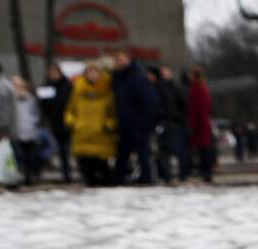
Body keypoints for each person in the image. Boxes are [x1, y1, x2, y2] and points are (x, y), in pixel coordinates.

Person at [64, 60, 116, 187]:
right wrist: (73, 123)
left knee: (102, 166)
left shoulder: (108, 91)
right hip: (82, 133)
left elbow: (113, 113)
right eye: (89, 72)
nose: (92, 75)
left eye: (95, 72)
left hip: (100, 134)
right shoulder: (78, 89)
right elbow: (70, 110)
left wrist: (108, 125)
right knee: (85, 166)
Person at [112, 51, 159, 184]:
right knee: (122, 157)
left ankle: (148, 181)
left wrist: (144, 124)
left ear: (128, 60)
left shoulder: (138, 77)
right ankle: (119, 181)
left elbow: (151, 101)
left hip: (138, 125)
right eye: (117, 59)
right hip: (124, 125)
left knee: (143, 155)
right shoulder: (117, 79)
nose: (119, 61)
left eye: (122, 58)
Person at [40, 61, 73, 183]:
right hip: (54, 123)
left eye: (55, 72)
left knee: (68, 150)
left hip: (68, 123)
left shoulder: (68, 86)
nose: (52, 75)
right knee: (60, 151)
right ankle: (65, 174)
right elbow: (43, 106)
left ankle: (68, 173)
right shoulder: (47, 87)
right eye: (51, 72)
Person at [155, 66, 187, 182]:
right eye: (162, 72)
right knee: (164, 152)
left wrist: (180, 119)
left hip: (174, 124)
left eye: (166, 72)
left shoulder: (175, 88)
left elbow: (183, 105)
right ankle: (167, 176)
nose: (164, 75)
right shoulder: (158, 88)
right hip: (165, 124)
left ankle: (181, 175)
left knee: (178, 151)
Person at [10, 76, 40, 185]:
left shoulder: (30, 98)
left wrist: (33, 126)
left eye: (19, 85)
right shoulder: (10, 99)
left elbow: (35, 114)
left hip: (29, 131)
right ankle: (16, 177)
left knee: (30, 157)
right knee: (17, 156)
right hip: (15, 132)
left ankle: (29, 177)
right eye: (15, 85)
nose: (17, 88)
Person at [187, 65, 213, 183]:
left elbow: (200, 109)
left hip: (200, 125)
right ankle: (206, 173)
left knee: (204, 150)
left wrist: (194, 125)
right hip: (201, 124)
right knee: (203, 150)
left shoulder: (198, 89)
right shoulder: (200, 88)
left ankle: (206, 174)